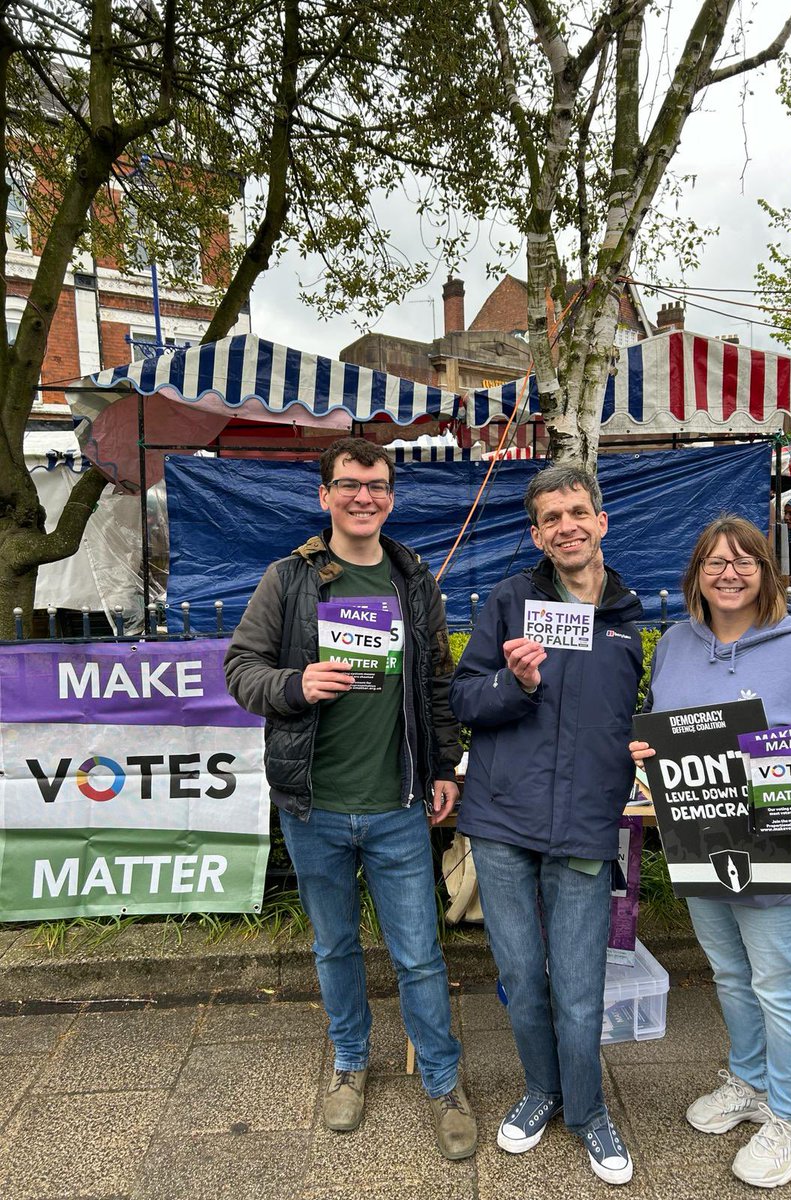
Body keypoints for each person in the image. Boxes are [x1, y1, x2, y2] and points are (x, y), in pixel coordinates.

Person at [223, 437, 476, 1159]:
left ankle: (441, 1079)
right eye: (348, 484)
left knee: (420, 955)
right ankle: (349, 1062)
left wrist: (445, 766)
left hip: (398, 805)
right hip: (315, 805)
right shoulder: (290, 579)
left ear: (391, 498)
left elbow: (435, 684)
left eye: (376, 486)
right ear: (325, 495)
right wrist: (294, 686)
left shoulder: (412, 578)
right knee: (334, 947)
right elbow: (242, 669)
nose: (363, 496)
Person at [630, 516, 791, 1189]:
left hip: (780, 848)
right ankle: (751, 1081)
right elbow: (663, 724)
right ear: (696, 576)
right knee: (732, 978)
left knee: (780, 984)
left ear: (769, 572)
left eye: (744, 561)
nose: (729, 573)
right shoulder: (677, 644)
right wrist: (647, 750)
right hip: (702, 842)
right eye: (714, 562)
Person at [450, 465, 643, 1185]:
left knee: (580, 983)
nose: (566, 525)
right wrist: (518, 684)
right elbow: (465, 698)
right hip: (503, 820)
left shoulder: (627, 616)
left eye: (576, 512)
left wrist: (643, 746)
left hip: (589, 824)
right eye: (551, 517)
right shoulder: (510, 599)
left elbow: (629, 715)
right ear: (536, 534)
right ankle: (541, 1091)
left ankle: (590, 1112)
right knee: (524, 976)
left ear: (600, 522)